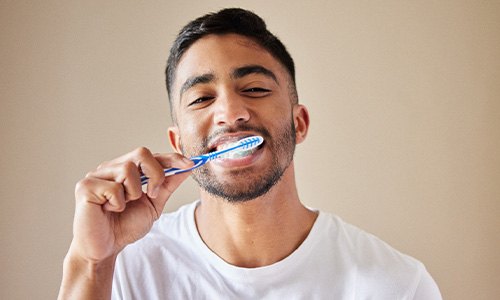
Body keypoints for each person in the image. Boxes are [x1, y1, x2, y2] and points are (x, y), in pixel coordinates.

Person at [58, 8, 442, 299]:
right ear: (178, 144)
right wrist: (91, 263)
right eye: (202, 98)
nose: (229, 112)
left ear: (299, 123)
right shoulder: (126, 269)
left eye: (255, 89)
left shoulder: (397, 285)